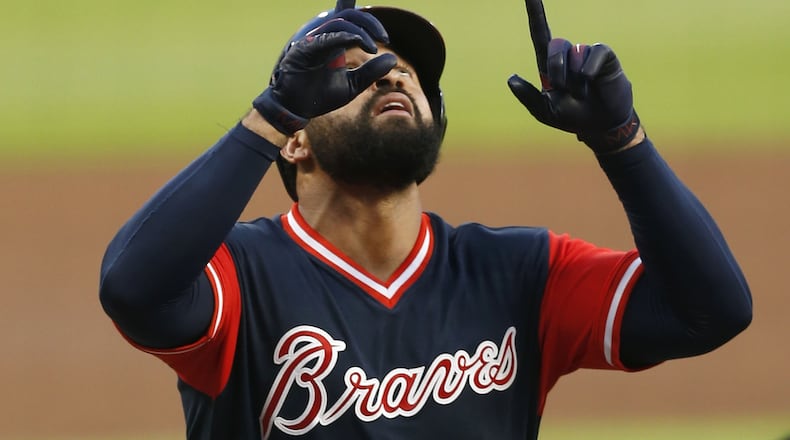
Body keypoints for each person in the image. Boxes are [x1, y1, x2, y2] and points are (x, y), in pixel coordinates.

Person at [98, 0, 753, 438]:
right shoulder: (241, 275)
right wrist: (270, 114)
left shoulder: (521, 274)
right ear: (296, 138)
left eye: (407, 74)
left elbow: (712, 310)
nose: (392, 79)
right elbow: (133, 286)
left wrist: (621, 140)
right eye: (357, 74)